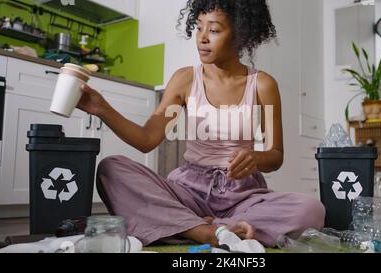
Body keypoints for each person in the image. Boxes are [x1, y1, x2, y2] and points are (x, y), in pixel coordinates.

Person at [77, 0, 325, 248]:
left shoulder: (262, 84)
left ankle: (194, 226)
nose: (202, 38)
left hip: (242, 197)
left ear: (241, 34)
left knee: (310, 210)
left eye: (214, 30)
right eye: (198, 28)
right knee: (111, 169)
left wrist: (255, 158)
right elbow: (146, 139)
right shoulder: (185, 79)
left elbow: (276, 155)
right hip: (189, 193)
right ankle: (208, 231)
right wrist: (102, 109)